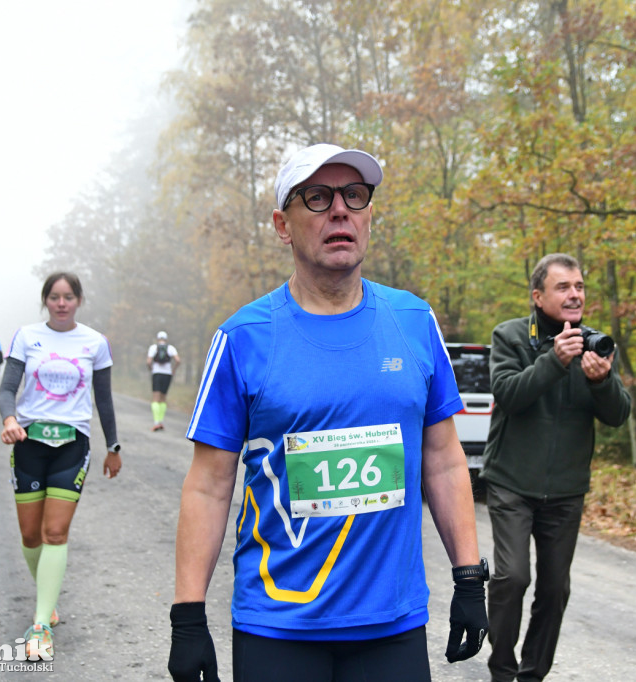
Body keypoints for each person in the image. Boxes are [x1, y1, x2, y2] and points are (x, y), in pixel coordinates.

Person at [168, 143, 488, 682]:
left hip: (392, 626)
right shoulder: (243, 338)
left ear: (368, 216)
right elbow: (208, 486)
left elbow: (444, 459)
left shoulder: (413, 322)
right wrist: (187, 616)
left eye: (354, 196)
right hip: (278, 627)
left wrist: (469, 578)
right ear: (282, 224)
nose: (340, 210)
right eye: (316, 197)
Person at [480, 253, 631, 682]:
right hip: (511, 482)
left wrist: (602, 381)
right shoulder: (510, 336)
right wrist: (554, 361)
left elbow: (619, 415)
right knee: (511, 578)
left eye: (580, 286)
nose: (575, 294)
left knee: (554, 589)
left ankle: (532, 675)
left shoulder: (596, 342)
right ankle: (502, 670)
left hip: (566, 491)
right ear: (538, 296)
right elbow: (509, 394)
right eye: (563, 287)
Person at [0, 272, 123, 659]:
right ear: (46, 301)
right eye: (54, 297)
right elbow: (7, 389)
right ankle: (46, 598)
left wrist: (113, 446)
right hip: (29, 443)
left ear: (79, 300)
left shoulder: (94, 343)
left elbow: (103, 399)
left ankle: (40, 625)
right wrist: (9, 419)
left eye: (69, 296)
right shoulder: (26, 336)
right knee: (30, 535)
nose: (62, 303)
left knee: (55, 532)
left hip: (72, 444)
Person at [147, 330, 180, 431]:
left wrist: (152, 369)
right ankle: (161, 421)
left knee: (155, 398)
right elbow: (178, 360)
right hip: (167, 374)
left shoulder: (153, 347)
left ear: (158, 339)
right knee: (163, 398)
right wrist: (173, 370)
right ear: (166, 339)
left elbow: (148, 362)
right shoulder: (171, 348)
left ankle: (156, 422)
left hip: (157, 373)